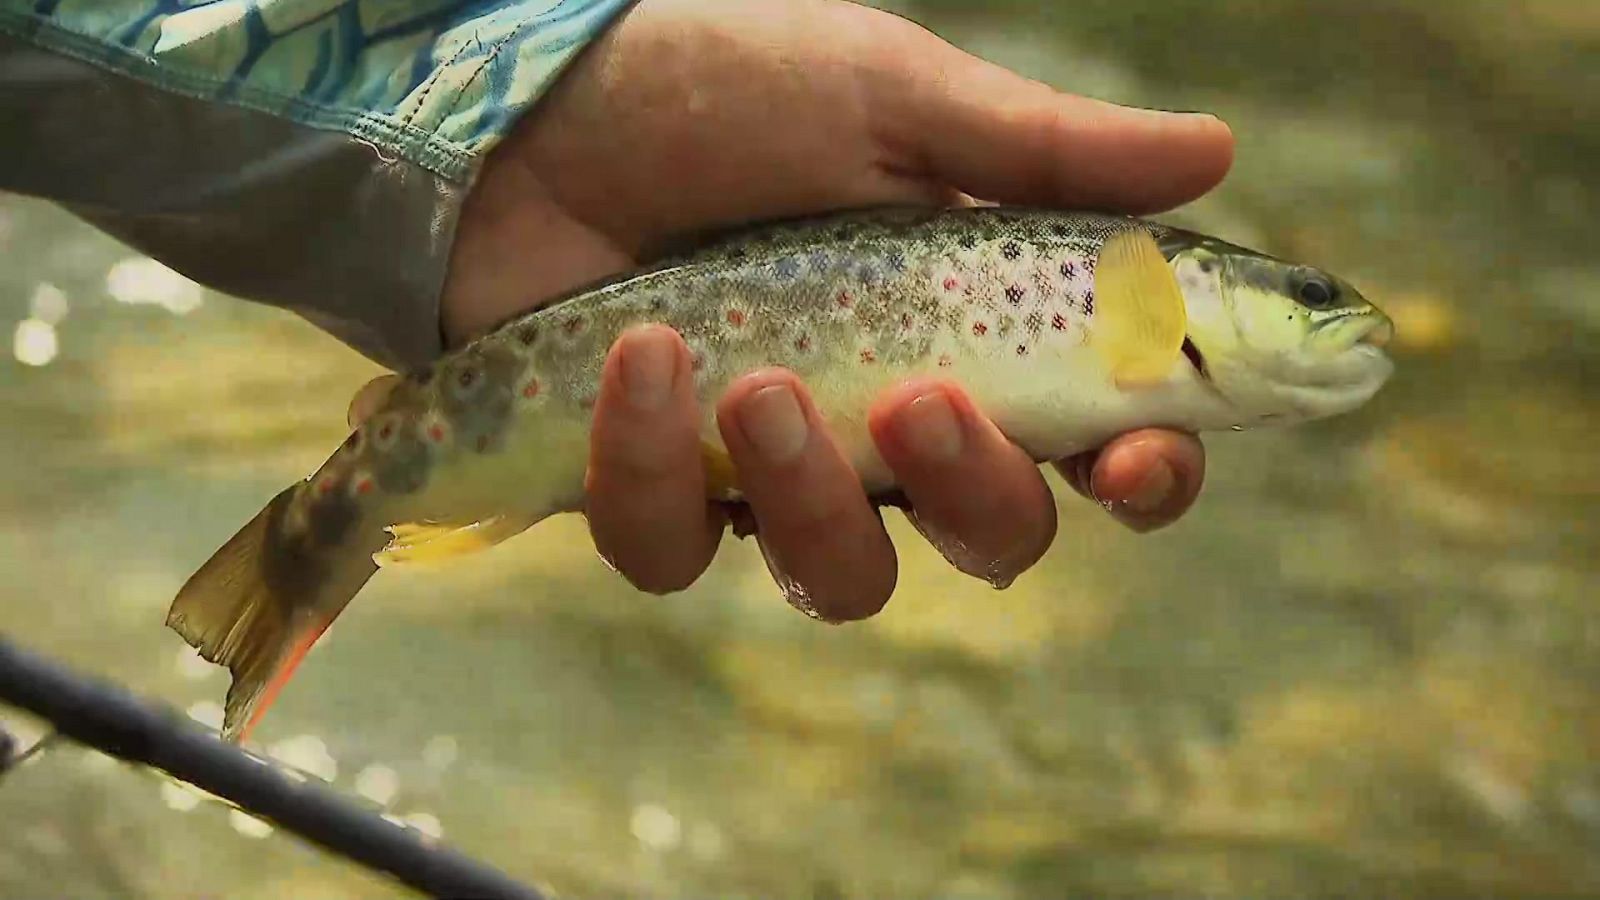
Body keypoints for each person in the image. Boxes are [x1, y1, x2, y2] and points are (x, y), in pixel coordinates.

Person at [0, 0, 1233, 622]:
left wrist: (501, 107)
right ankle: (308, 554)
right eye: (1315, 302)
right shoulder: (1140, 290)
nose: (1351, 330)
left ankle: (306, 556)